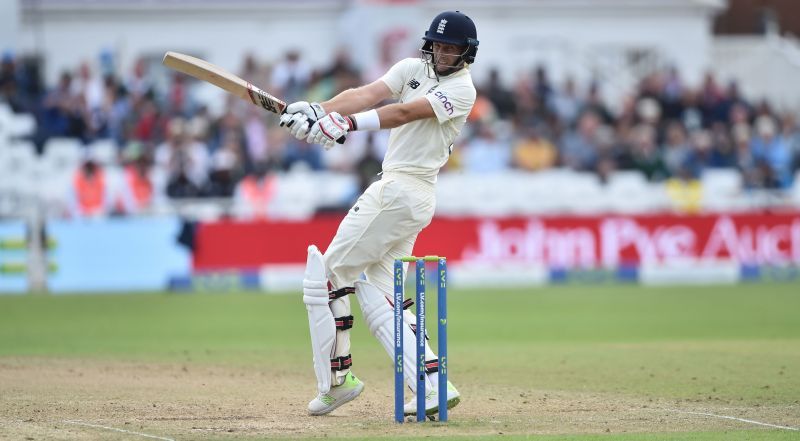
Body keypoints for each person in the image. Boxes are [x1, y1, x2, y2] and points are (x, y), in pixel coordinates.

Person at [279, 10, 478, 418]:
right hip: (404, 195)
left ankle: (337, 382)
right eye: (438, 44)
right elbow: (366, 93)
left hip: (402, 190)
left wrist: (345, 125)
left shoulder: (462, 90)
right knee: (379, 292)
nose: (442, 52)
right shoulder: (411, 67)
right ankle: (431, 383)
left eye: (451, 47)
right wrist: (318, 110)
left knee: (325, 279)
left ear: (466, 53)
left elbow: (404, 113)